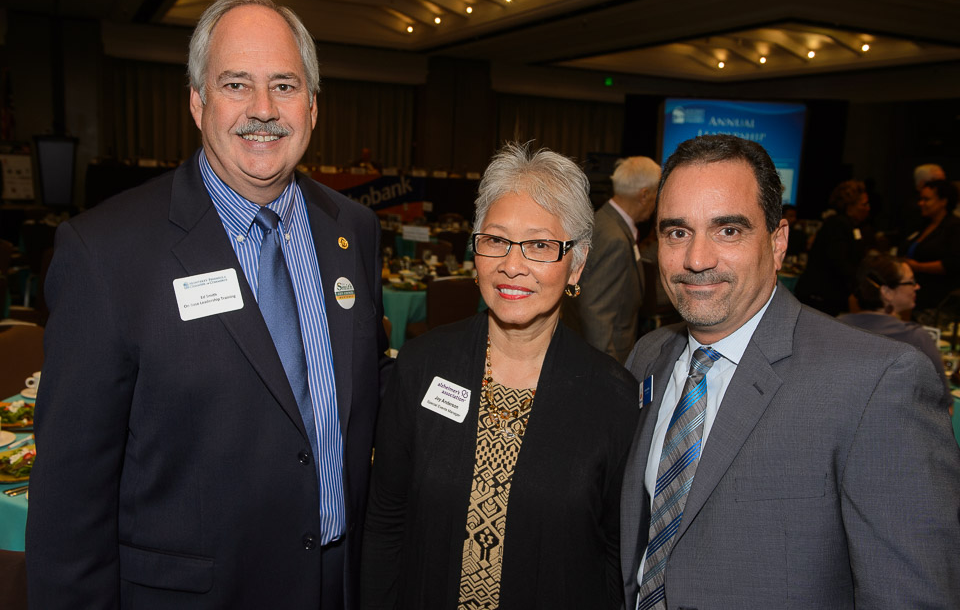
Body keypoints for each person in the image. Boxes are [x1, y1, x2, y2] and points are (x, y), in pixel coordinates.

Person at [26, 0, 390, 609]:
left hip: (337, 583)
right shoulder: (105, 253)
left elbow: (369, 385)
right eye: (236, 84)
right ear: (197, 103)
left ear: (312, 106)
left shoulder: (353, 229)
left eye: (284, 86)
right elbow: (69, 506)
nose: (263, 109)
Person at [621, 134, 960, 609]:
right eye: (677, 232)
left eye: (728, 230)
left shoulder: (877, 383)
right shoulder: (648, 356)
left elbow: (912, 596)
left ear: (778, 242)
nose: (696, 259)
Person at [361, 143, 639, 609]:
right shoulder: (422, 365)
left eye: (540, 245)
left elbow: (614, 557)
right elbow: (386, 520)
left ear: (577, 264)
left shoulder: (613, 397)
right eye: (496, 240)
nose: (512, 265)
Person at [563, 155, 660, 362]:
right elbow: (597, 313)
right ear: (644, 194)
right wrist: (608, 370)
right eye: (656, 194)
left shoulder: (603, 220)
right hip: (607, 355)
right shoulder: (615, 238)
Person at [839, 253, 950, 406]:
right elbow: (943, 406)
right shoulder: (915, 338)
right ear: (887, 292)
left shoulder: (836, 325)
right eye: (911, 282)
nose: (917, 286)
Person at [794, 179, 872, 315]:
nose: (868, 208)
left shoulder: (852, 226)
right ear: (850, 206)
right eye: (864, 204)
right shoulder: (837, 225)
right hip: (821, 297)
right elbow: (840, 262)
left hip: (830, 296)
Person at [902, 178, 960, 315]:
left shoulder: (954, 227)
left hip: (937, 299)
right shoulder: (924, 224)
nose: (921, 203)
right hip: (916, 295)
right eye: (921, 199)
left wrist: (918, 266)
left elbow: (953, 263)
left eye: (926, 199)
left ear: (943, 201)